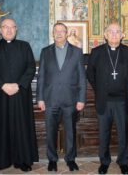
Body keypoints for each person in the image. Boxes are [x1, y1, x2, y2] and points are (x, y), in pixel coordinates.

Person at [0, 18, 39, 174]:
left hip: (19, 94)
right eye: (5, 27)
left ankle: (22, 160)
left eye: (12, 27)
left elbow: (30, 67)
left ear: (16, 29)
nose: (9, 30)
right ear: (0, 30)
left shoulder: (24, 46)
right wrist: (2, 85)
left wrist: (19, 85)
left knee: (20, 127)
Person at [87, 23, 128, 174]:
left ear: (123, 35)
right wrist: (101, 89)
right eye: (111, 31)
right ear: (105, 35)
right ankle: (104, 161)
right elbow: (90, 74)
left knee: (123, 133)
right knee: (104, 133)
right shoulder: (96, 52)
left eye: (117, 32)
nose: (114, 34)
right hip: (104, 100)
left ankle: (123, 161)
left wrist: (124, 87)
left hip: (122, 101)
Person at [36, 22, 87, 172]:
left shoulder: (77, 52)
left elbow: (81, 78)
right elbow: (42, 77)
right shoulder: (45, 51)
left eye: (62, 31)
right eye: (56, 31)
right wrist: (40, 98)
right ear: (53, 33)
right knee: (50, 131)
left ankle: (70, 159)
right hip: (50, 99)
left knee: (70, 131)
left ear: (66, 34)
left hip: (70, 100)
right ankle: (52, 159)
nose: (59, 33)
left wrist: (81, 99)